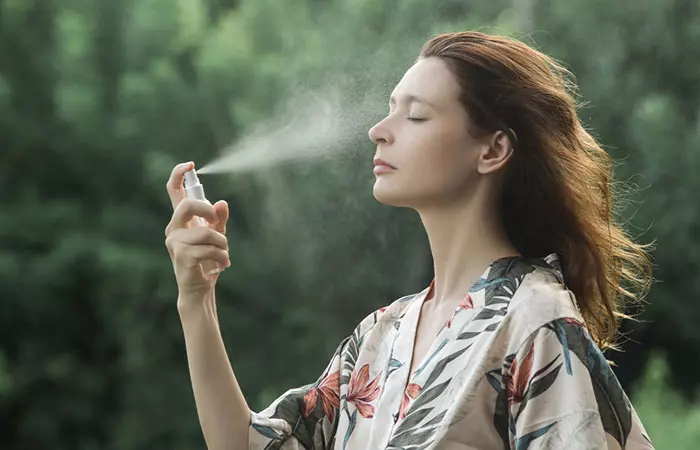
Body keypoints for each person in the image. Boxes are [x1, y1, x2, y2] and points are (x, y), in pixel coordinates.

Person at [164, 31, 655, 450]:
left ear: (494, 149)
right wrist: (196, 299)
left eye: (415, 116)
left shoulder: (536, 324)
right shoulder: (380, 335)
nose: (379, 131)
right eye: (388, 111)